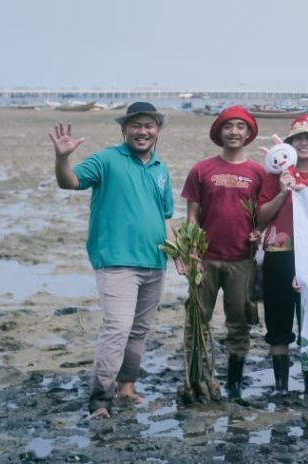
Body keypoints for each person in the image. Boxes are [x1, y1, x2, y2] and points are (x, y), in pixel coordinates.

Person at [50, 102, 177, 419]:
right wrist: (62, 158)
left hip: (155, 262)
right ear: (124, 131)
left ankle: (127, 387)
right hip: (117, 261)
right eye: (136, 125)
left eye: (149, 125)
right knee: (117, 328)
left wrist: (178, 254)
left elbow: (167, 217)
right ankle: (99, 400)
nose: (143, 131)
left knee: (139, 331)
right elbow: (70, 182)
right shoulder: (106, 159)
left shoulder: (160, 168)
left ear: (157, 130)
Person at [181, 105, 273, 401]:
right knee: (197, 319)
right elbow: (192, 215)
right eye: (228, 126)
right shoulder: (202, 170)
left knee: (239, 322)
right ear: (219, 132)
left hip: (241, 261)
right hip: (204, 259)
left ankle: (234, 383)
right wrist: (191, 250)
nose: (234, 132)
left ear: (248, 134)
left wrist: (259, 230)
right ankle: (196, 378)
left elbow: (261, 215)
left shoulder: (258, 173)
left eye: (240, 127)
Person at [256, 114, 308, 396]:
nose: (304, 143)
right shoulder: (272, 175)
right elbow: (261, 217)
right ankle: (281, 387)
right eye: (298, 138)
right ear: (288, 144)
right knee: (278, 322)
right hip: (279, 254)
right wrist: (282, 192)